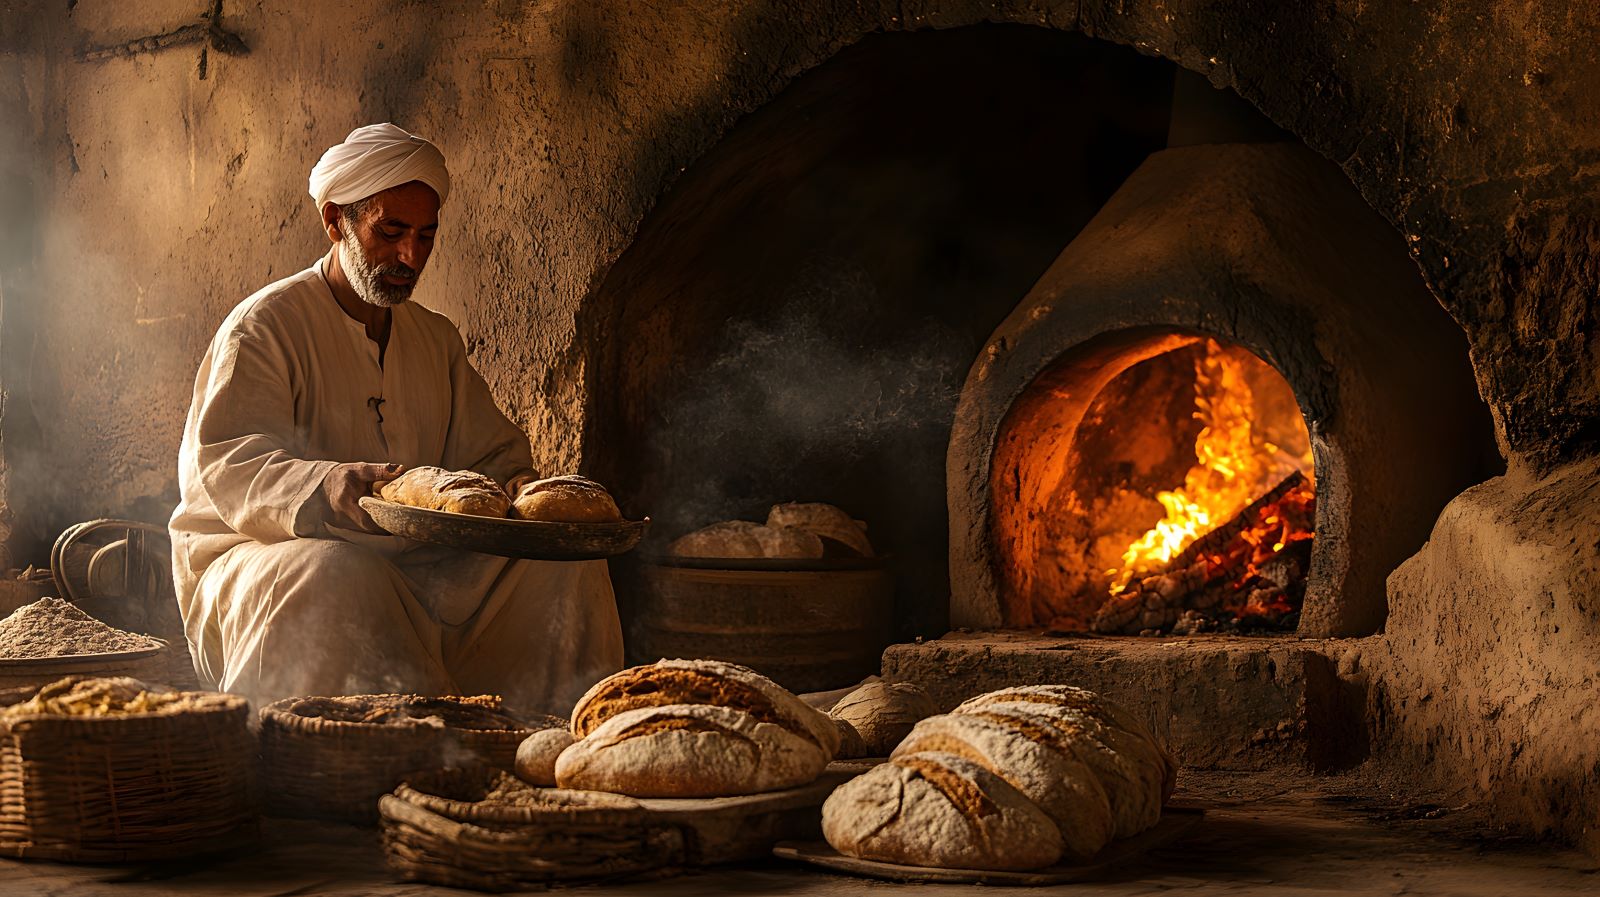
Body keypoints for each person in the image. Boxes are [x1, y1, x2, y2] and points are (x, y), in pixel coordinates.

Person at [168, 123, 623, 714]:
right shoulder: (265, 326)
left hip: (418, 569)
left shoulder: (434, 338)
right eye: (391, 232)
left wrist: (519, 485)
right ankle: (324, 762)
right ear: (335, 221)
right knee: (334, 573)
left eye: (426, 237)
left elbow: (491, 459)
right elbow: (225, 466)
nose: (411, 256)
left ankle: (540, 741)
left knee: (565, 564)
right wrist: (323, 485)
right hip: (267, 558)